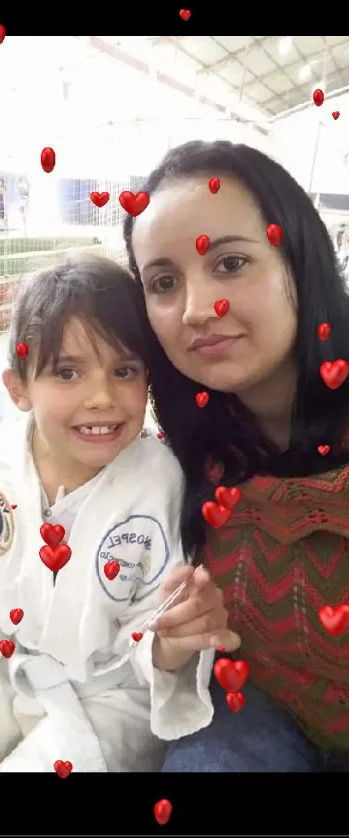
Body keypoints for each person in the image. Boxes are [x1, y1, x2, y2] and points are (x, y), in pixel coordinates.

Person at [0, 253, 239, 773]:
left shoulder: (157, 480)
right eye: (67, 372)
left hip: (112, 696)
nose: (101, 397)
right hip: (7, 674)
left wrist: (168, 648)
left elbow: (158, 620)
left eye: (123, 371)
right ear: (18, 388)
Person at [123, 139, 349, 772]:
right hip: (253, 720)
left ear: (298, 259)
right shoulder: (184, 454)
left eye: (229, 264)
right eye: (163, 282)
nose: (197, 311)